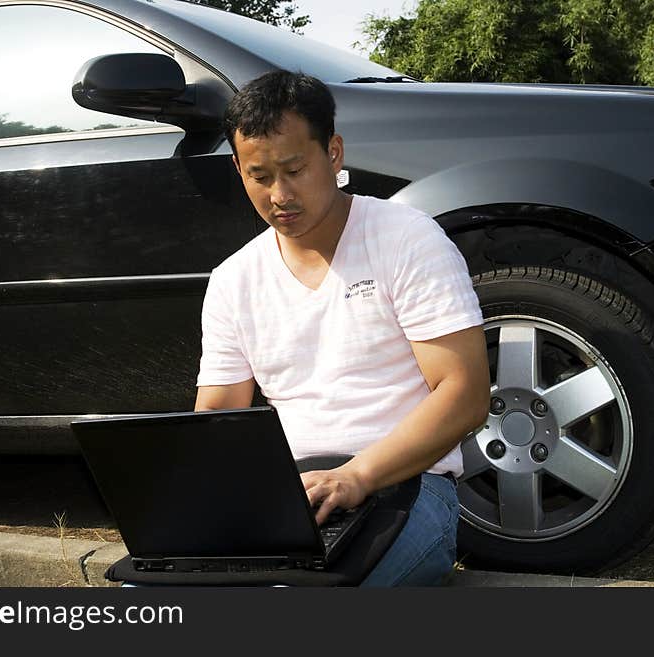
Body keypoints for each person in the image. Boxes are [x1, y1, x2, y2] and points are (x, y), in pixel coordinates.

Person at [195, 70, 490, 586]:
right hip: (292, 497)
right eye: (259, 177)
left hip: (405, 486)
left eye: (294, 169)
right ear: (238, 168)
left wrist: (358, 476)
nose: (280, 194)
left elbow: (464, 395)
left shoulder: (406, 238)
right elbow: (217, 418)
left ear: (333, 153)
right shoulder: (231, 280)